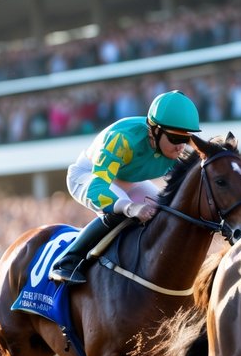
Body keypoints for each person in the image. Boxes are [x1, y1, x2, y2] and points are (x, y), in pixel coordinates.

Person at [48, 90, 200, 284]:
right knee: (120, 211)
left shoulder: (178, 150)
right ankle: (67, 261)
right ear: (155, 130)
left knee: (165, 211)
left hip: (129, 179)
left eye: (185, 139)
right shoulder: (122, 140)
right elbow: (97, 189)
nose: (181, 146)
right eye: (175, 139)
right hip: (89, 175)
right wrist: (130, 207)